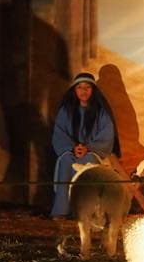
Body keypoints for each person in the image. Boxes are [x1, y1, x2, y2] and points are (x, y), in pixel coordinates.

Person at [50, 72, 121, 219]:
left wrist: (89, 148)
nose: (83, 91)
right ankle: (62, 210)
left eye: (87, 87)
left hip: (94, 152)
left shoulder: (101, 113)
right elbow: (60, 133)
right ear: (74, 90)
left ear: (93, 90)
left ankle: (88, 212)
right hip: (70, 151)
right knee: (65, 161)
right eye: (80, 87)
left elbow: (106, 135)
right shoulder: (66, 111)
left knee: (88, 162)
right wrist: (72, 148)